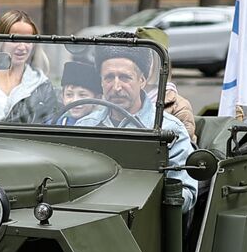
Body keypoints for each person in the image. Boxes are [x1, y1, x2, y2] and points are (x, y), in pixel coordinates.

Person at [78, 39, 197, 212]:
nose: (116, 87)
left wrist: (157, 194)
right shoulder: (86, 126)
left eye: (125, 77)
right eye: (109, 78)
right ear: (101, 82)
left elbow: (187, 195)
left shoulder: (170, 130)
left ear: (142, 80)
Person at [0, 10, 58, 123]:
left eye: (27, 40)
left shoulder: (42, 86)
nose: (22, 47)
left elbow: (49, 126)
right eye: (15, 39)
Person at [54, 59, 100, 125]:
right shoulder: (56, 123)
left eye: (82, 95)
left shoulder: (101, 125)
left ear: (97, 99)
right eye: (69, 94)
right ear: (62, 96)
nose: (75, 101)